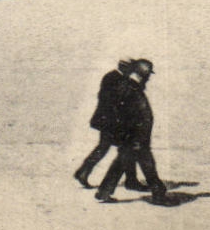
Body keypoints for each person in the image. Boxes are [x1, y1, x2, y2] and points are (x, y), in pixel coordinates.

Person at [95, 59, 172, 204]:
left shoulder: (129, 86)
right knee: (148, 166)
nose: (149, 78)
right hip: (136, 137)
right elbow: (134, 114)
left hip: (131, 136)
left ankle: (104, 191)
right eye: (148, 74)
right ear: (143, 74)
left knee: (121, 162)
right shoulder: (131, 88)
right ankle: (158, 194)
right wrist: (135, 137)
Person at [73, 60, 150, 191]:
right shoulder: (113, 77)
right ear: (124, 67)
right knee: (118, 148)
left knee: (121, 148)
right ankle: (84, 172)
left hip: (112, 121)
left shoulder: (119, 77)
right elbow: (109, 100)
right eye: (130, 68)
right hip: (110, 121)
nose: (131, 71)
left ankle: (130, 180)